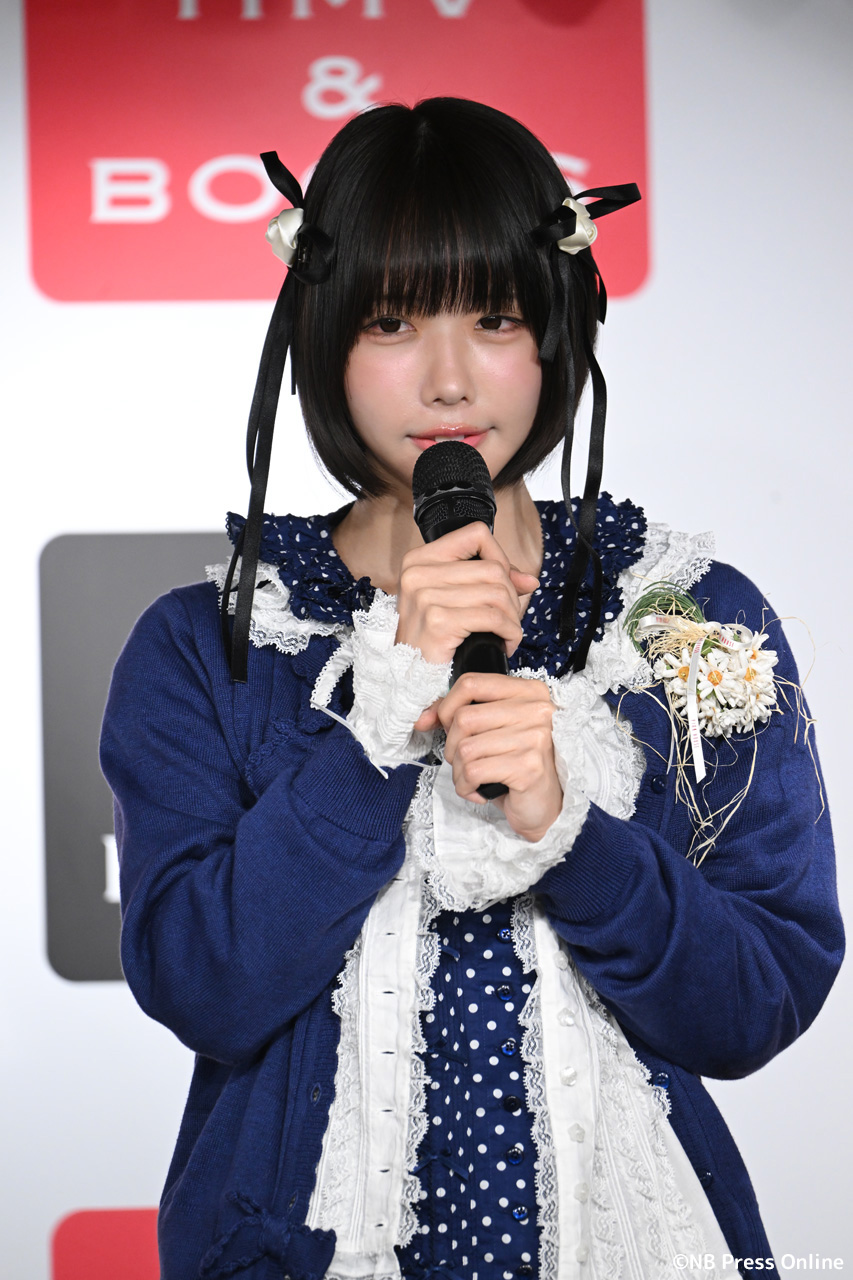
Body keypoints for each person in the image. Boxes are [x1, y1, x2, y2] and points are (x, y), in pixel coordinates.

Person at [100, 98, 843, 1280]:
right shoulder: (212, 643)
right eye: (392, 321)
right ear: (323, 335)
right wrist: (378, 721)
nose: (448, 380)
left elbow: (755, 1000)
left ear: (555, 328)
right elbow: (203, 985)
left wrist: (571, 834)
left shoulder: (688, 620)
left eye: (493, 317)